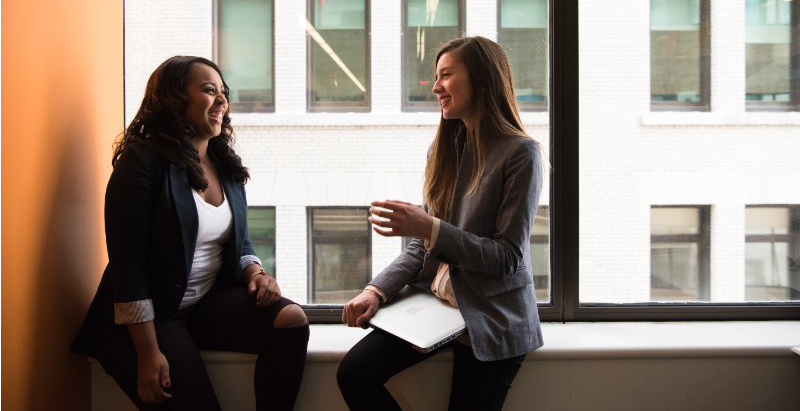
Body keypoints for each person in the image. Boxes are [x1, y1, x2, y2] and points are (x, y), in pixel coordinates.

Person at [71, 56, 309, 410]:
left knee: (292, 321)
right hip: (150, 321)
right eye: (209, 90)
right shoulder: (142, 163)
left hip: (201, 303)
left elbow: (238, 241)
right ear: (173, 98)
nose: (222, 101)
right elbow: (128, 265)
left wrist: (256, 271)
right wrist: (148, 354)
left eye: (224, 93)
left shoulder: (224, 164)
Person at [337, 36, 545, 411]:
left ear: (482, 80)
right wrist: (376, 291)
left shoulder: (521, 153)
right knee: (354, 372)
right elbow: (422, 246)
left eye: (446, 75)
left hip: (492, 317)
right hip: (439, 307)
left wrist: (429, 229)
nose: (435, 87)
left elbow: (507, 257)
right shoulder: (444, 149)